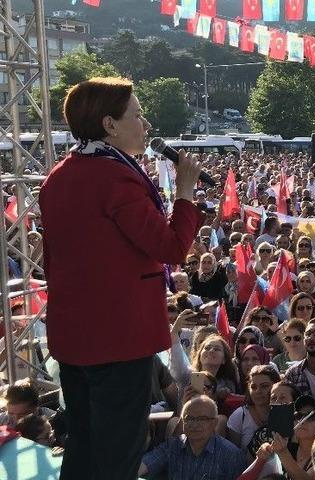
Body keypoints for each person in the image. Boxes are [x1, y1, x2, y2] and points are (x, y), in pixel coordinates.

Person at [41, 77, 203, 480]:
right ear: (109, 125)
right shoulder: (116, 179)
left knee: (83, 444)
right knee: (119, 454)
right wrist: (184, 192)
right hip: (118, 338)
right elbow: (170, 247)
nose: (146, 125)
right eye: (137, 114)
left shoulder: (59, 176)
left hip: (75, 336)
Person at [139, 395, 246, 480]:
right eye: (189, 418)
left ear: (214, 423)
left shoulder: (231, 455)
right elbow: (145, 464)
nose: (194, 424)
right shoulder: (172, 446)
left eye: (202, 419)